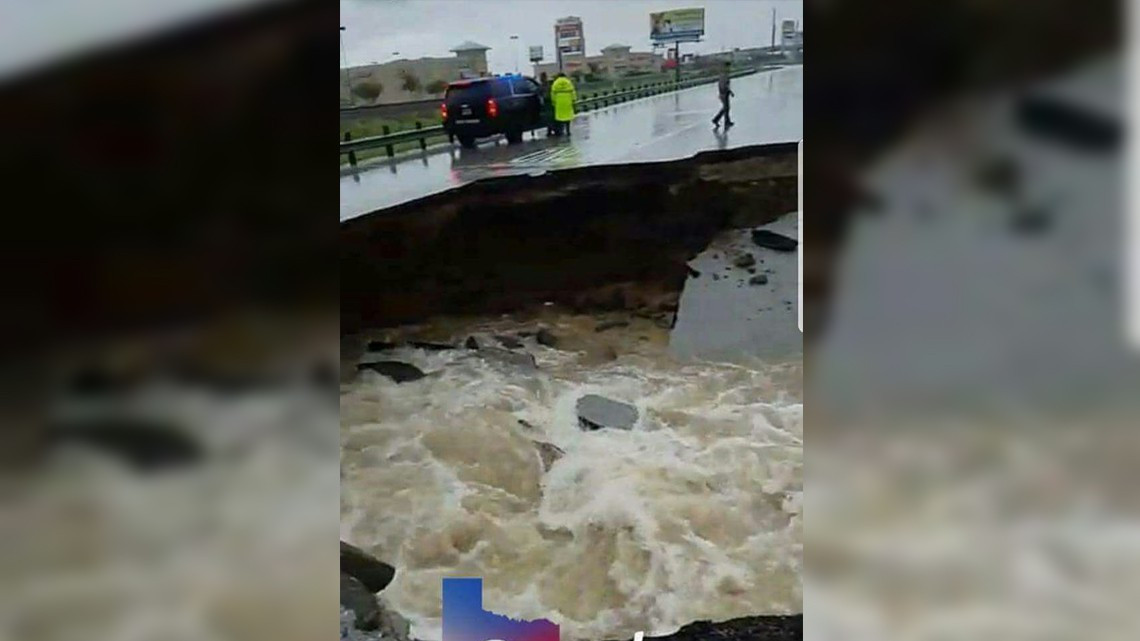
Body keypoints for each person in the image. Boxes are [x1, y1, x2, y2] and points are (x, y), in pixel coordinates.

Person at [550, 72, 577, 136]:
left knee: (560, 117)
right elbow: (572, 91)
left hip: (559, 100)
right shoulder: (568, 82)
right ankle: (568, 131)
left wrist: (553, 101)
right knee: (568, 117)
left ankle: (561, 130)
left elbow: (553, 93)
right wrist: (573, 100)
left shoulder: (556, 83)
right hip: (567, 100)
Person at [712, 62, 735, 129]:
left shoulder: (725, 74)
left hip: (724, 93)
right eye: (729, 67)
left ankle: (725, 121)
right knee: (726, 108)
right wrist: (728, 92)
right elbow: (723, 85)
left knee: (726, 108)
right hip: (724, 93)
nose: (729, 68)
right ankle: (717, 120)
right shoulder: (724, 75)